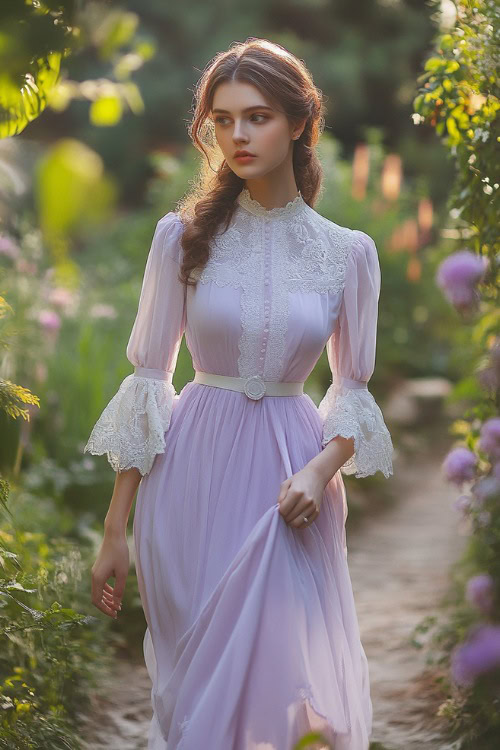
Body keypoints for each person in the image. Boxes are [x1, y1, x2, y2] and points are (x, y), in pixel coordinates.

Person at [84, 37, 394, 750]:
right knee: (195, 693)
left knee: (281, 687)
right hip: (187, 479)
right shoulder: (180, 238)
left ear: (299, 123)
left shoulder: (347, 253)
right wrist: (113, 532)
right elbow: (149, 383)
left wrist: (320, 471)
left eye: (256, 117)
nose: (238, 135)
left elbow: (352, 397)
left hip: (291, 485)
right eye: (222, 120)